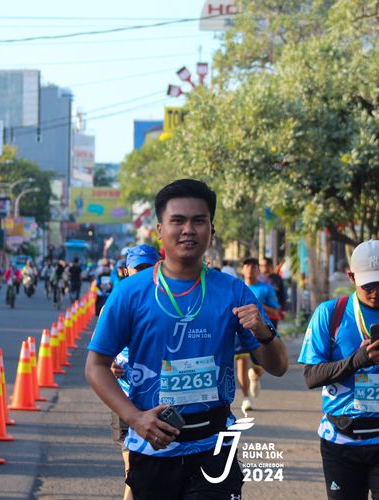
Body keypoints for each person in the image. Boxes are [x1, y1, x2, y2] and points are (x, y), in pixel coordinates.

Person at [85, 179, 288, 500]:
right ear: (160, 229)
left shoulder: (234, 291)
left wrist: (265, 332)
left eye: (199, 221)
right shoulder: (129, 293)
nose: (188, 230)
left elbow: (278, 367)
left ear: (211, 229)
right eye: (177, 220)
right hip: (153, 448)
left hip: (214, 446)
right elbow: (96, 366)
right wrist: (134, 418)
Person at [298, 240, 379, 500]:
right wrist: (356, 360)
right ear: (351, 277)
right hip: (342, 442)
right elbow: (311, 377)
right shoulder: (330, 313)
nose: (376, 292)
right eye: (368, 285)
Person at [108, 244, 161, 500]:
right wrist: (110, 365)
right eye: (137, 268)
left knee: (152, 472)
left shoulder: (170, 302)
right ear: (126, 271)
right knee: (133, 471)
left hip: (160, 399)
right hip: (125, 398)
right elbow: (100, 351)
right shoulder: (117, 300)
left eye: (148, 268)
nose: (143, 274)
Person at [235, 257, 281, 413]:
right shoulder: (236, 288)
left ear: (258, 270)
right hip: (240, 333)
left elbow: (275, 311)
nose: (250, 269)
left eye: (254, 266)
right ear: (243, 270)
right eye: (247, 266)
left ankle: (255, 375)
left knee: (259, 367)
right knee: (241, 361)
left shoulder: (266, 289)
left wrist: (258, 306)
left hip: (260, 334)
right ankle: (245, 398)